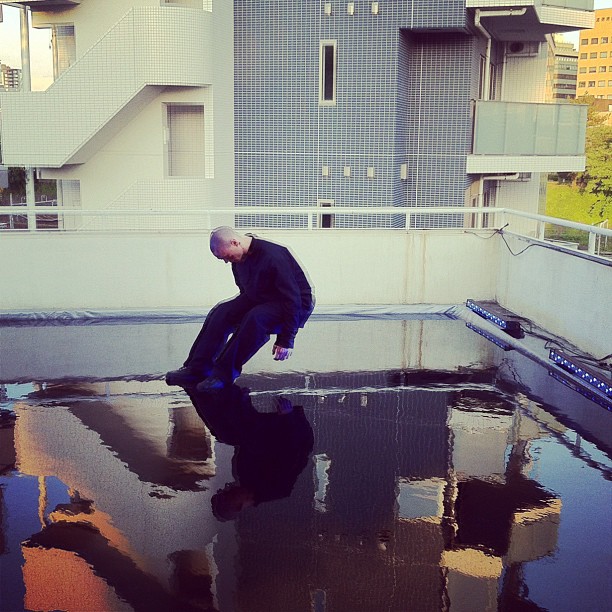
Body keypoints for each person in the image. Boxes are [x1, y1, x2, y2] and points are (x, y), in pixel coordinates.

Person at [166, 226, 314, 391]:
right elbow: (246, 292)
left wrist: (286, 339)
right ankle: (197, 369)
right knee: (221, 312)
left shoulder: (274, 256)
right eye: (223, 259)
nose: (227, 262)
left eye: (227, 257)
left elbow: (292, 298)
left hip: (296, 303)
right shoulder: (238, 259)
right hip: (263, 297)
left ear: (235, 242)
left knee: (256, 317)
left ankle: (223, 374)